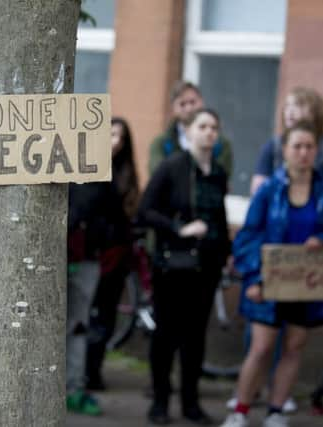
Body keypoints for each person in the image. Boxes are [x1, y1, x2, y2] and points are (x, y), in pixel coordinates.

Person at [222, 121, 323, 427]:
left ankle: (276, 411)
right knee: (262, 347)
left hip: (305, 285)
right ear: (285, 151)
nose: (304, 153)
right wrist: (254, 278)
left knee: (293, 348)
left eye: (309, 146)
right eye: (297, 146)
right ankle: (240, 410)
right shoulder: (269, 190)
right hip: (267, 283)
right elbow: (248, 237)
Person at [139, 108, 230, 425]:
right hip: (173, 265)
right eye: (203, 126)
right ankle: (160, 401)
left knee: (196, 336)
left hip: (207, 267)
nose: (209, 132)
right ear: (189, 131)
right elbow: (145, 211)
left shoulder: (217, 172)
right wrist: (180, 229)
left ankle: (191, 403)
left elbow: (218, 215)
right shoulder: (172, 166)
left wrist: (226, 253)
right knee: (165, 334)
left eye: (214, 127)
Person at [85, 117, 139, 390]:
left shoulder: (125, 173)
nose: (116, 141)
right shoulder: (88, 168)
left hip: (115, 255)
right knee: (83, 315)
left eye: (121, 137)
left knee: (105, 316)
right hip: (91, 252)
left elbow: (129, 212)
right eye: (111, 134)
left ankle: (93, 370)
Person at [148, 81, 233, 177]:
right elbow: (158, 176)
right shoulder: (161, 143)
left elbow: (221, 177)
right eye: (182, 104)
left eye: (193, 102)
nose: (189, 108)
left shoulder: (220, 144)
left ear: (202, 102)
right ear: (173, 108)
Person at [251, 87, 323, 195]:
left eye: (298, 105)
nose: (290, 111)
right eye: (288, 105)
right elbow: (258, 191)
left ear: (314, 112)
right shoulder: (274, 146)